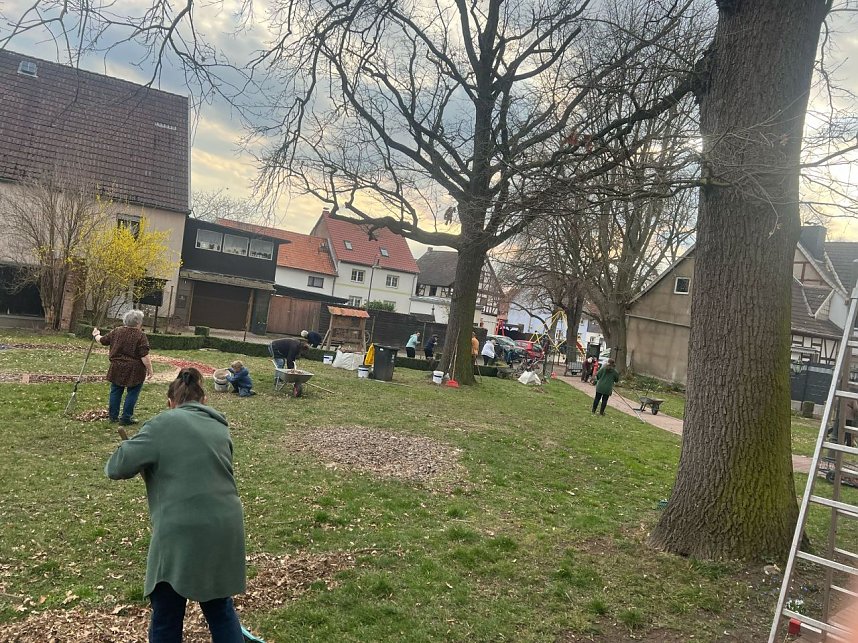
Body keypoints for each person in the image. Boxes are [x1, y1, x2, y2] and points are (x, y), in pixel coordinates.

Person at [105, 368, 246, 642]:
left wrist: (132, 447)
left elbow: (116, 467)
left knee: (167, 615)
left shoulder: (161, 424)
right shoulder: (219, 426)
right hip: (225, 524)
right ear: (203, 401)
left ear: (170, 402)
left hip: (182, 529)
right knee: (220, 609)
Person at [93, 309, 154, 426]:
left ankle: (113, 416)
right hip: (134, 369)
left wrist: (96, 334)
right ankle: (126, 417)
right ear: (138, 322)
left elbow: (102, 340)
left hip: (116, 367)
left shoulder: (117, 331)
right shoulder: (140, 336)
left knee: (116, 391)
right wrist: (150, 369)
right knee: (132, 393)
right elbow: (144, 355)